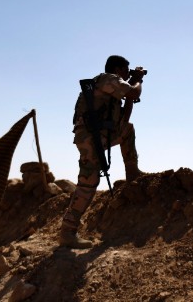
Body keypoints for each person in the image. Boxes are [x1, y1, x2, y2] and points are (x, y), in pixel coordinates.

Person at [59, 55, 146, 249]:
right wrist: (138, 79)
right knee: (88, 183)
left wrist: (130, 90)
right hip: (91, 137)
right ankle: (67, 231)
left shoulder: (112, 87)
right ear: (117, 69)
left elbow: (124, 118)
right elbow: (133, 92)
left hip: (100, 135)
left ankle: (132, 173)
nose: (127, 74)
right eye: (125, 70)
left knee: (127, 130)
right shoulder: (108, 78)